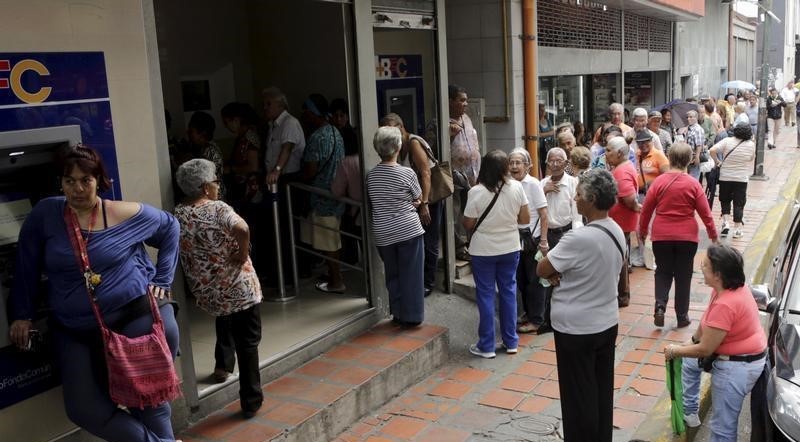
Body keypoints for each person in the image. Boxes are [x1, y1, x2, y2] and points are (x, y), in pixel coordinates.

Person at [8, 145, 182, 441]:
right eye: (69, 181)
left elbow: (170, 227)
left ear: (99, 181)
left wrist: (163, 279)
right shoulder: (45, 214)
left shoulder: (122, 213)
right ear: (60, 183)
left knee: (149, 404)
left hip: (133, 317)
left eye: (85, 180)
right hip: (74, 328)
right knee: (83, 408)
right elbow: (26, 264)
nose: (77, 189)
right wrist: (21, 314)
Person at [536, 168, 625, 442]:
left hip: (576, 329)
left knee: (578, 399)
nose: (575, 198)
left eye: (579, 194)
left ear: (593, 198)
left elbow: (542, 268)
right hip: (606, 322)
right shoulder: (616, 230)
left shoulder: (578, 238)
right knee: (600, 391)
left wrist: (553, 272)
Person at [174, 159, 263, 419]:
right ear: (204, 187)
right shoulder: (217, 208)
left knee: (226, 321)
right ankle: (251, 400)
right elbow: (242, 228)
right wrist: (243, 253)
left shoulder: (179, 212)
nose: (217, 185)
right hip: (239, 287)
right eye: (215, 180)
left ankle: (223, 365)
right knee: (248, 342)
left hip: (211, 291)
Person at [664, 244, 767, 439]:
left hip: (736, 368)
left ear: (718, 274)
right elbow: (706, 324)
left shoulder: (726, 304)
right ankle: (690, 412)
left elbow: (705, 349)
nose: (701, 267)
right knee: (690, 362)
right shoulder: (726, 289)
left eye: (705, 265)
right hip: (738, 357)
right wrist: (691, 341)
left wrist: (674, 350)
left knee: (722, 428)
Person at [639, 142, 718, 328]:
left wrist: (642, 231)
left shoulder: (658, 182)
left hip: (661, 235)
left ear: (669, 157)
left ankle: (660, 305)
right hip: (687, 237)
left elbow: (646, 211)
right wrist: (713, 235)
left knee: (663, 272)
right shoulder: (693, 184)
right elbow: (706, 213)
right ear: (690, 160)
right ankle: (682, 316)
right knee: (683, 276)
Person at [464, 150, 529, 358]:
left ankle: (487, 345)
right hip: (510, 247)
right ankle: (511, 342)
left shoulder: (476, 191)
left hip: (483, 249)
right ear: (505, 168)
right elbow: (525, 219)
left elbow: (468, 223)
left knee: (485, 294)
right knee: (509, 291)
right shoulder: (517, 188)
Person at [366, 126, 425, 326]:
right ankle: (412, 316)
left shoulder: (371, 176)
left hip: (383, 233)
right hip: (408, 229)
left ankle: (398, 313)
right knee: (412, 274)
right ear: (398, 147)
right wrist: (415, 203)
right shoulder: (407, 173)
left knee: (393, 274)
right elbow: (418, 197)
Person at [381, 113, 442, 297]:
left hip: (428, 197)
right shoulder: (397, 145)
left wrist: (424, 203)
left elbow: (426, 173)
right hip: (414, 199)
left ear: (401, 127)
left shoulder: (413, 142)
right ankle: (417, 280)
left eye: (392, 129)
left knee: (429, 240)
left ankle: (428, 282)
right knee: (419, 240)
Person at [300, 94, 346, 293]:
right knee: (331, 239)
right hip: (337, 193)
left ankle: (336, 282)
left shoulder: (316, 137)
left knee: (329, 243)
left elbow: (310, 171)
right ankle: (333, 277)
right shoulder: (336, 132)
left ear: (313, 112)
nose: (305, 116)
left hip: (321, 197)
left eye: (307, 112)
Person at [261, 87, 306, 286]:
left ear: (280, 104)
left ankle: (291, 273)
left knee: (287, 229)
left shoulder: (290, 123)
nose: (265, 108)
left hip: (287, 179)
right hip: (274, 180)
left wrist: (276, 170)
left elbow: (286, 149)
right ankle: (279, 272)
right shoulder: (273, 125)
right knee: (275, 229)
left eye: (268, 104)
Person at [538, 147, 583, 333]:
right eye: (551, 161)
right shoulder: (541, 183)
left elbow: (577, 214)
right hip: (546, 235)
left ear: (566, 164)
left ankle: (570, 317)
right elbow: (535, 210)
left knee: (567, 277)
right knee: (548, 277)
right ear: (547, 163)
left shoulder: (573, 183)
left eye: (559, 161)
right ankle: (547, 318)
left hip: (566, 234)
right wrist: (543, 191)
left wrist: (575, 237)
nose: (555, 164)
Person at [508, 148, 549, 334]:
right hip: (512, 238)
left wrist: (544, 240)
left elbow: (544, 214)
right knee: (520, 279)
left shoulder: (533, 184)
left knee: (535, 280)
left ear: (527, 166)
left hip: (531, 238)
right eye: (511, 162)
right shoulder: (506, 183)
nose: (514, 166)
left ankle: (537, 319)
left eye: (518, 163)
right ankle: (528, 313)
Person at [605, 137, 639, 307]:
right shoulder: (623, 167)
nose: (606, 153)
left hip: (621, 221)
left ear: (619, 153)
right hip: (621, 221)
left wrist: (635, 207)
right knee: (622, 255)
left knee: (620, 257)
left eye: (609, 150)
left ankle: (622, 295)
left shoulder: (621, 171)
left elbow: (629, 198)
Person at [449, 84, 481, 261]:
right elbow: (433, 150)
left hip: (471, 176)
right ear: (450, 101)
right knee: (454, 214)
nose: (465, 104)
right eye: (461, 100)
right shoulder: (441, 122)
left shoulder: (466, 118)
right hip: (453, 177)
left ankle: (472, 243)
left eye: (466, 100)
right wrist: (449, 136)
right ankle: (458, 248)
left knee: (470, 211)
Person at [709, 123, 756, 239]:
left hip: (725, 177)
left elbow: (712, 150)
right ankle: (737, 229)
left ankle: (725, 223)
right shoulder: (750, 144)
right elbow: (751, 159)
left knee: (725, 200)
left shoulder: (727, 141)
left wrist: (717, 162)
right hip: (741, 179)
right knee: (739, 203)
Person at [331, 102, 363, 268]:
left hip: (352, 206)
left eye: (341, 115)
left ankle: (351, 261)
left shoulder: (346, 163)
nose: (338, 119)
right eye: (335, 115)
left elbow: (336, 191)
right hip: (369, 207)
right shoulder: (368, 160)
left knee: (350, 235)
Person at [221, 102, 261, 206]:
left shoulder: (250, 137)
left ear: (236, 120)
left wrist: (231, 169)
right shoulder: (242, 137)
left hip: (251, 189)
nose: (226, 127)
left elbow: (253, 167)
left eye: (226, 123)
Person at [187, 111, 225, 200]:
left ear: (202, 134)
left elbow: (205, 178)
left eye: (192, 131)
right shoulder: (203, 148)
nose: (189, 134)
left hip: (214, 196)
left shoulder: (211, 151)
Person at [683, 110, 705, 179]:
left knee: (693, 177)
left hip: (694, 157)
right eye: (687, 117)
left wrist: (697, 157)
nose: (688, 119)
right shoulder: (689, 128)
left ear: (696, 118)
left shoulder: (697, 129)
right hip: (688, 157)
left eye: (691, 117)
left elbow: (699, 144)